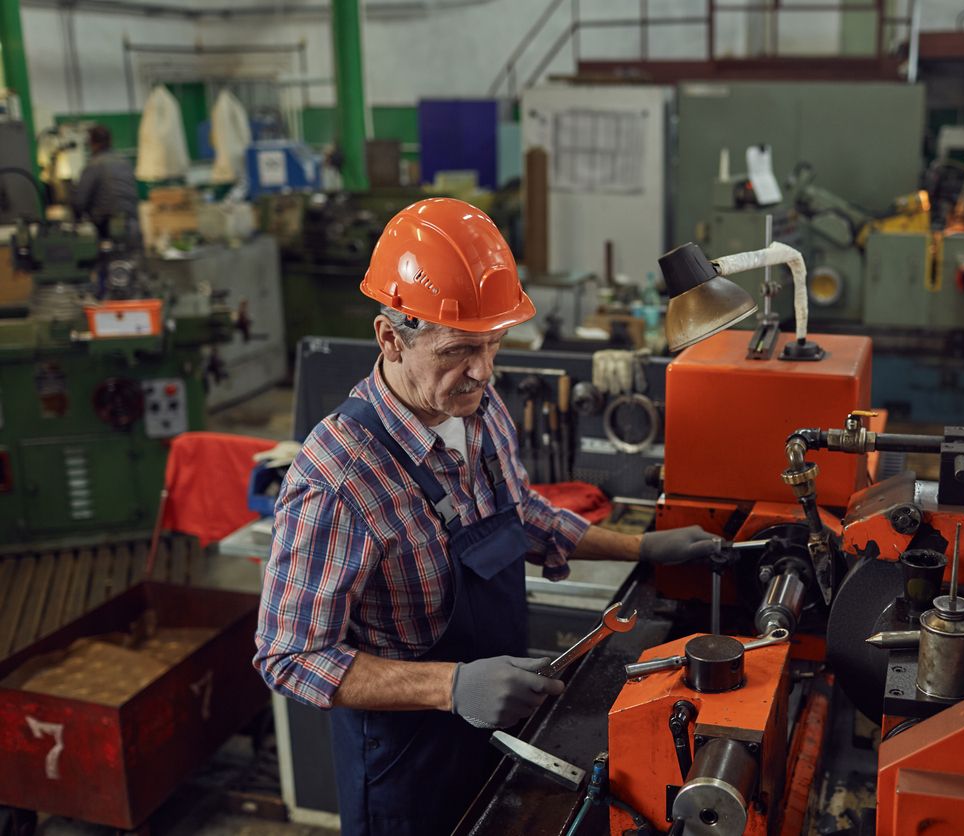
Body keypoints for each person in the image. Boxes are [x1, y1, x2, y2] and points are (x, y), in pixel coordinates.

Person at [254, 198, 719, 836]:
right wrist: (451, 688)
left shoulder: (479, 404)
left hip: (499, 731)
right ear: (390, 337)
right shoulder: (338, 478)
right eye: (458, 350)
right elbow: (290, 655)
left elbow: (520, 516)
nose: (483, 371)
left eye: (494, 345)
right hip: (408, 765)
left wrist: (642, 548)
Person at [71, 125, 139, 241]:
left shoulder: (93, 165)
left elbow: (79, 202)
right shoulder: (125, 162)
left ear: (91, 143)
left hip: (107, 229)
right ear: (110, 140)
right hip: (133, 226)